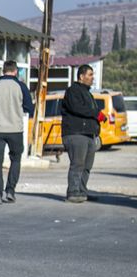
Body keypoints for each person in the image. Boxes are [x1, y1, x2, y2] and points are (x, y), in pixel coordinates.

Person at [0, 60, 34, 204]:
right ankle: (10, 190)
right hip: (15, 130)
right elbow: (30, 107)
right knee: (15, 160)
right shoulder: (21, 87)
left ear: (3, 70)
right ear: (15, 71)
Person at [60, 64, 101, 204]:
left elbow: (91, 112)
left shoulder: (88, 93)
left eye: (92, 75)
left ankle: (82, 191)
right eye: (90, 75)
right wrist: (97, 114)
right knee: (77, 164)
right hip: (76, 133)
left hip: (89, 134)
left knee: (87, 166)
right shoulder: (73, 91)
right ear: (81, 76)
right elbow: (77, 108)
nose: (92, 78)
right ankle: (73, 192)